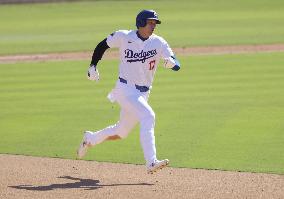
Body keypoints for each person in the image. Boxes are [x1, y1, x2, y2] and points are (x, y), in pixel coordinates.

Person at [77, 9, 181, 174]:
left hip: (143, 94)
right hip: (124, 89)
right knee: (149, 116)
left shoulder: (159, 42)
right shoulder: (124, 36)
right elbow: (102, 45)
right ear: (140, 23)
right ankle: (151, 162)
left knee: (121, 132)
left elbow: (176, 63)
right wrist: (93, 65)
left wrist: (171, 64)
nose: (153, 26)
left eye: (155, 23)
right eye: (150, 22)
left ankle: (90, 138)